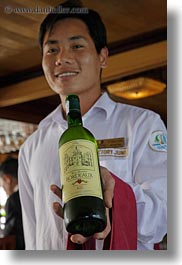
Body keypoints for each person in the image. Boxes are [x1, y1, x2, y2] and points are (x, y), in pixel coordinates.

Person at [18, 0, 167, 250]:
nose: (62, 59)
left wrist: (115, 201)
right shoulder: (32, 146)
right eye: (51, 50)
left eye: (76, 46)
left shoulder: (142, 124)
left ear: (102, 56)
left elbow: (166, 212)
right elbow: (33, 235)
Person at [0, 157, 25, 250]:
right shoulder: (32, 193)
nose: (3, 188)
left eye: (2, 184)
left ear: (8, 179)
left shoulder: (12, 200)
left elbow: (10, 235)